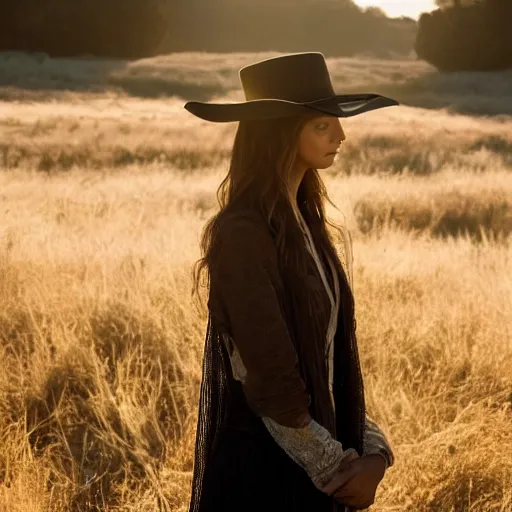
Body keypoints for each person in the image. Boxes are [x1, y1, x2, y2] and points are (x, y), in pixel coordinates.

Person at [185, 52, 398, 512]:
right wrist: (340, 472)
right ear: (279, 132)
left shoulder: (305, 222)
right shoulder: (243, 233)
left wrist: (376, 455)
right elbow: (269, 376)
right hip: (265, 475)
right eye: (322, 125)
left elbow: (327, 364)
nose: (341, 134)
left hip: (314, 467)